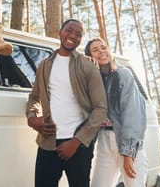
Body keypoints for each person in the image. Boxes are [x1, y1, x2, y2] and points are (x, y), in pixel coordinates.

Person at [26, 19, 107, 187]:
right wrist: (32, 119)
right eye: (69, 30)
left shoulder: (87, 66)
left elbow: (101, 108)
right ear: (60, 32)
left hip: (79, 146)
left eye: (78, 34)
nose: (72, 36)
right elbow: (34, 97)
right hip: (48, 143)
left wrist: (76, 141)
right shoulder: (44, 65)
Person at [84, 37, 148, 187]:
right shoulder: (93, 79)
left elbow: (132, 115)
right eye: (95, 50)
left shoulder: (122, 74)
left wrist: (127, 152)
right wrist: (84, 63)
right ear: (90, 56)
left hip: (127, 141)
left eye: (103, 47)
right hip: (104, 142)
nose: (101, 52)